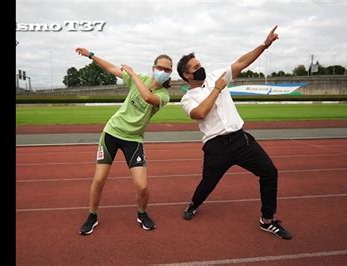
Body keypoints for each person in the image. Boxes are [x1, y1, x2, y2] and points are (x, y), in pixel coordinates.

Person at [177, 25, 292, 240]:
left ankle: (267, 220)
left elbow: (241, 62)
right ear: (186, 74)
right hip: (216, 147)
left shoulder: (215, 76)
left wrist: (264, 46)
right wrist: (218, 89)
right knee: (207, 183)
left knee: (269, 172)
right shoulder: (187, 99)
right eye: (196, 66)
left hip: (240, 140)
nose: (201, 68)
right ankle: (194, 204)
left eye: (200, 64)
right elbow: (200, 113)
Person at [75, 47, 172, 234]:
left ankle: (142, 213)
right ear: (153, 68)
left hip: (134, 139)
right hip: (111, 133)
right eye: (160, 67)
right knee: (99, 179)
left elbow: (147, 96)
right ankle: (92, 215)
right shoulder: (141, 78)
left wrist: (133, 74)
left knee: (142, 186)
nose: (163, 72)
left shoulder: (164, 95)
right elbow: (112, 69)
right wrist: (91, 55)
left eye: (167, 70)